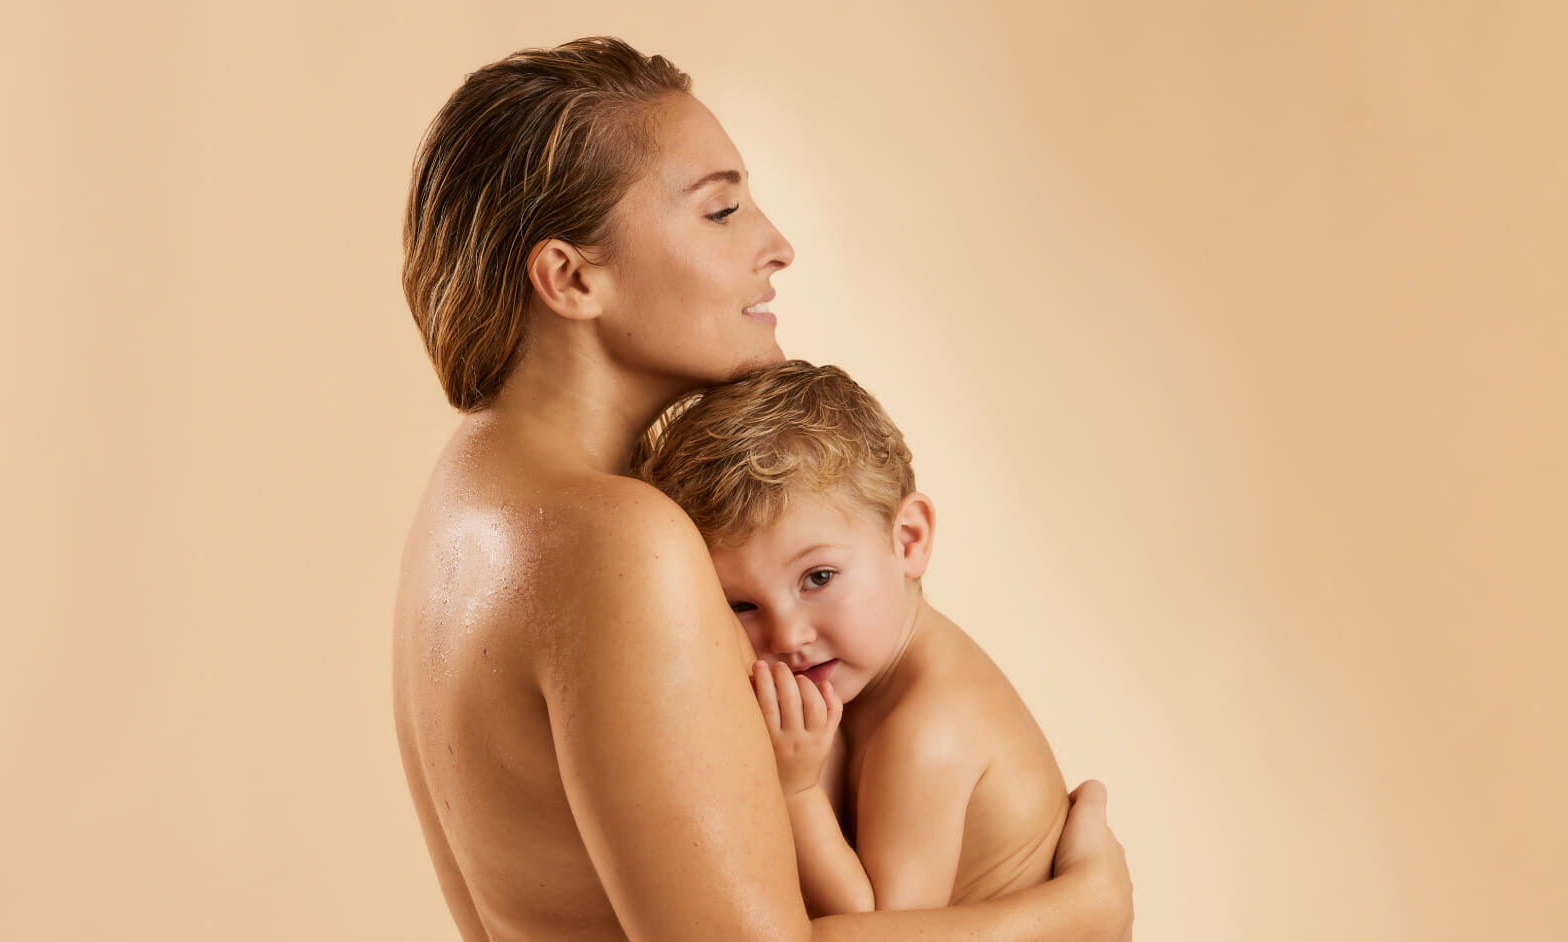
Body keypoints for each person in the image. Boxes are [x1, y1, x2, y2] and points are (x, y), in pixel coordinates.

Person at [393, 36, 1133, 940]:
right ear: (573, 277)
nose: (774, 246)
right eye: (720, 211)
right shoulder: (616, 541)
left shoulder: (463, 505)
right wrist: (1077, 911)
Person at [632, 360, 1071, 914]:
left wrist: (795, 788)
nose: (787, 636)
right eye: (742, 605)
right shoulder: (883, 678)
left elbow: (879, 926)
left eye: (818, 578)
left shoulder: (927, 730)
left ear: (908, 540)